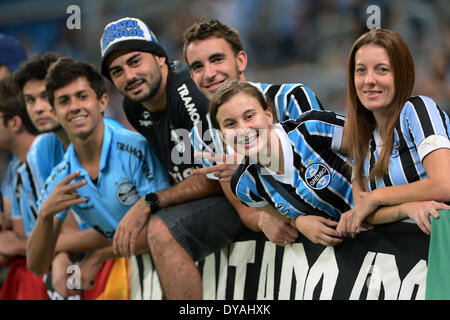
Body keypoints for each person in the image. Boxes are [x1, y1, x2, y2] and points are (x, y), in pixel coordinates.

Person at [100, 17, 250, 299]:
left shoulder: (188, 95)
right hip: (205, 197)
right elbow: (179, 173)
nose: (129, 76)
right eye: (117, 71)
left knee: (160, 229)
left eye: (135, 62)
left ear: (160, 59)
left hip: (241, 190)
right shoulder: (134, 105)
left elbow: (216, 176)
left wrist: (151, 201)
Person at [26, 58, 171, 295]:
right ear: (54, 111)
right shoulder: (61, 177)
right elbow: (37, 265)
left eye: (82, 96)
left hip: (169, 262)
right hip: (129, 274)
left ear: (102, 101)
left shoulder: (135, 149)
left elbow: (167, 227)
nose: (74, 107)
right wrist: (45, 215)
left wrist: (98, 256)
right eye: (64, 101)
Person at [183, 19, 326, 246]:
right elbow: (246, 211)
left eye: (217, 59)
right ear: (192, 77)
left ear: (241, 60)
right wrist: (267, 220)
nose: (209, 73)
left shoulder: (292, 98)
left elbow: (328, 172)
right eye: (198, 66)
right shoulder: (201, 137)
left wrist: (248, 168)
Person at [208, 80, 358, 246]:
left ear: (268, 115)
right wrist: (298, 223)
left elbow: (376, 147)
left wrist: (365, 203)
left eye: (249, 116)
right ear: (222, 135)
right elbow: (283, 217)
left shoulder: (312, 128)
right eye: (230, 124)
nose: (243, 129)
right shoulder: (245, 185)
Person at [337, 28, 450, 236]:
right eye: (361, 70)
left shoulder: (417, 110)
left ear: (402, 74)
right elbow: (363, 209)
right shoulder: (360, 134)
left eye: (382, 70)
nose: (369, 80)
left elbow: (445, 184)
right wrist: (405, 209)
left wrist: (378, 197)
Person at [0, 75, 50, 299]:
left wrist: (16, 246)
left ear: (14, 122)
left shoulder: (48, 159)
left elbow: (73, 234)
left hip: (72, 271)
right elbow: (20, 234)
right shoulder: (15, 168)